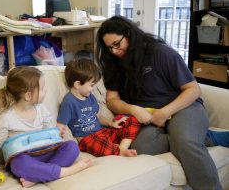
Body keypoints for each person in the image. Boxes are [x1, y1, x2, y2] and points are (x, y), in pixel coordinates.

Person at [96, 15, 224, 190]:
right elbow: (112, 100)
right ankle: (206, 136)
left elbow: (193, 89)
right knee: (141, 146)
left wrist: (164, 112)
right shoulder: (114, 63)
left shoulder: (162, 53)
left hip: (181, 107)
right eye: (109, 47)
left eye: (117, 44)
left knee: (186, 141)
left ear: (130, 35)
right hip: (146, 115)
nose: (114, 51)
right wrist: (133, 109)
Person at [0, 66, 92, 188]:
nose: (46, 91)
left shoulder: (42, 110)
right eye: (42, 88)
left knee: (72, 147)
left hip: (47, 153)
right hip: (25, 158)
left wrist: (57, 132)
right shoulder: (7, 117)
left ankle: (37, 177)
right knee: (18, 164)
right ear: (28, 95)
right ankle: (65, 171)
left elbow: (49, 134)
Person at [57, 58, 140, 157]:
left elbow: (97, 116)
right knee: (100, 145)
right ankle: (118, 150)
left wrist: (111, 123)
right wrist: (59, 133)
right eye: (92, 85)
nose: (94, 89)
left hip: (103, 133)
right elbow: (61, 124)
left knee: (132, 120)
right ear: (78, 84)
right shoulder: (69, 102)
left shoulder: (90, 97)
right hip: (87, 139)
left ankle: (121, 148)